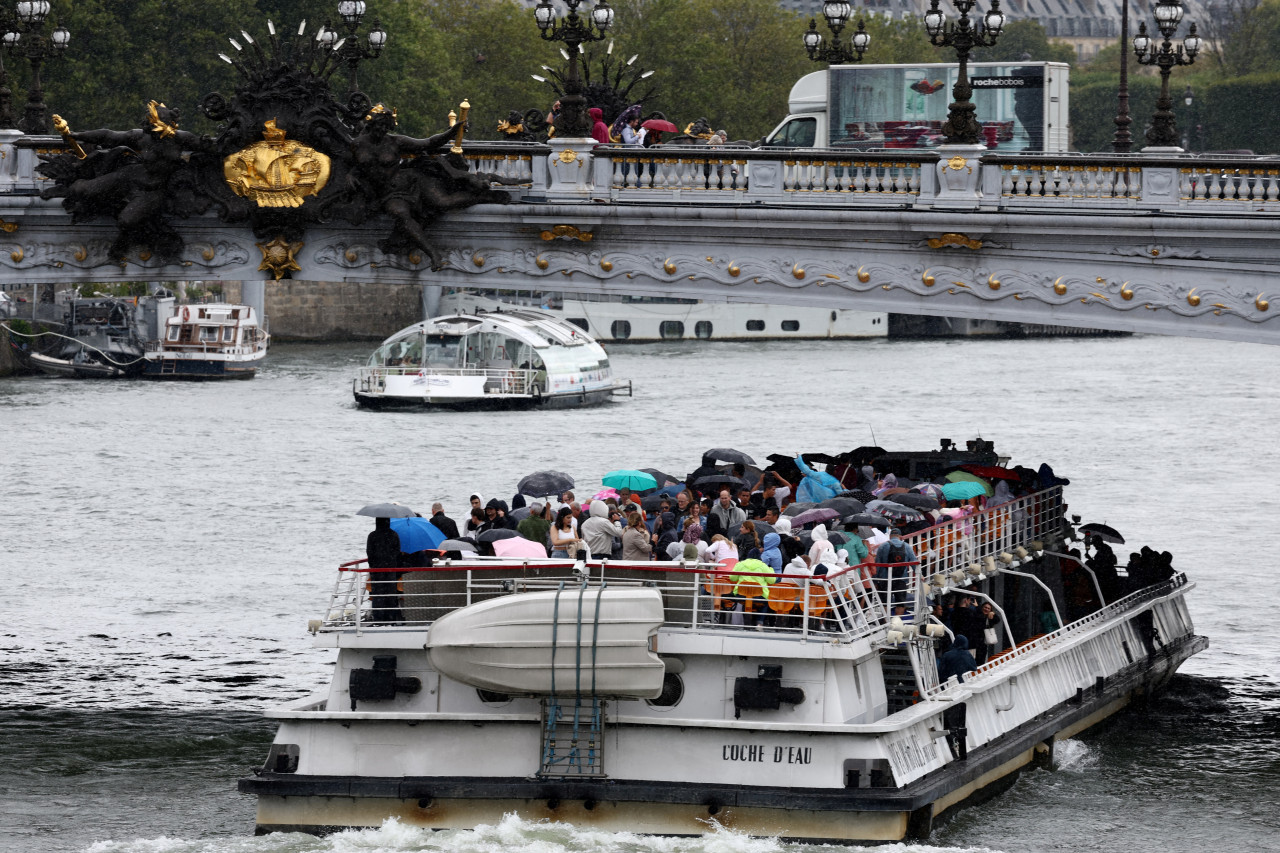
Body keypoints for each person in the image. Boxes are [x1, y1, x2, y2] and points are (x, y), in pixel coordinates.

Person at [936, 634, 978, 759]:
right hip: (962, 689)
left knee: (949, 716)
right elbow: (974, 668)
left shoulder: (947, 655)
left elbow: (941, 672)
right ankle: (959, 744)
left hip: (948, 690)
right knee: (960, 716)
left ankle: (950, 737)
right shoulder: (967, 654)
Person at [365, 517, 402, 624]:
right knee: (390, 595)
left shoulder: (372, 536)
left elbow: (369, 553)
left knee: (377, 595)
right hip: (390, 570)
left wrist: (374, 566)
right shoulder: (394, 535)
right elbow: (397, 553)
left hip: (377, 571)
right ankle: (390, 620)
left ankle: (378, 620)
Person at [875, 528, 917, 615]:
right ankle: (896, 623)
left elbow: (877, 565)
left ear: (890, 536)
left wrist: (876, 580)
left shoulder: (882, 546)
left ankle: (886, 622)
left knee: (885, 602)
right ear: (900, 537)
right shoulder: (907, 546)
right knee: (900, 603)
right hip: (901, 579)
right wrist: (920, 575)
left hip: (885, 578)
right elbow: (913, 562)